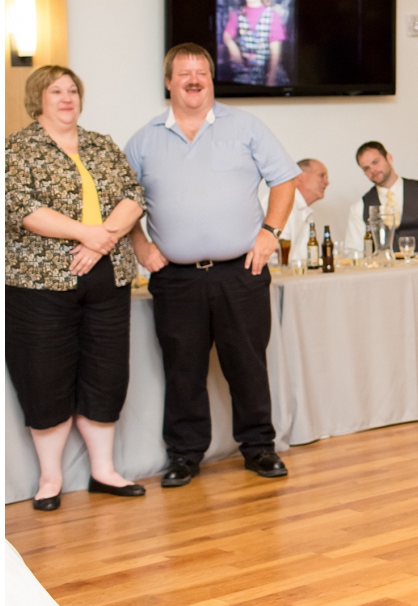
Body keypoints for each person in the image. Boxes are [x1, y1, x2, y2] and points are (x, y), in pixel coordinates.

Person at [125, 43, 300, 487]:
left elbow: (285, 179)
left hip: (240, 273)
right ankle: (184, 456)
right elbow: (120, 204)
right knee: (183, 370)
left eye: (200, 71)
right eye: (183, 73)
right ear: (168, 82)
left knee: (247, 364)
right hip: (176, 279)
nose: (193, 80)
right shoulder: (144, 139)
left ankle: (259, 449)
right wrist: (140, 245)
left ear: (211, 78)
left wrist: (270, 232)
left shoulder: (245, 127)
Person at [6, 66, 148, 510]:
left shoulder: (101, 144)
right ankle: (50, 479)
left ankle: (103, 472)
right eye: (56, 91)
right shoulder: (17, 148)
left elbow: (133, 195)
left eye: (72, 90)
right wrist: (89, 235)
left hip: (108, 276)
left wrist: (101, 237)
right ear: (38, 99)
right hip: (41, 282)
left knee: (106, 373)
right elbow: (20, 208)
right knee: (44, 376)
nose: (67, 98)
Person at [345, 142, 418, 254]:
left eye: (375, 162)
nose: (373, 170)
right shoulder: (359, 207)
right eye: (366, 168)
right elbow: (354, 251)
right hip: (384, 269)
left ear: (389, 158)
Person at [221, 0, 286, 87]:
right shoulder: (237, 15)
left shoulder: (272, 15)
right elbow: (226, 35)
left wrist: (271, 78)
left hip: (266, 73)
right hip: (244, 73)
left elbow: (275, 52)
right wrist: (231, 45)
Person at [285, 158, 328, 257]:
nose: (327, 182)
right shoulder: (281, 205)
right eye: (322, 175)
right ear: (300, 176)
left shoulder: (304, 210)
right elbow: (275, 257)